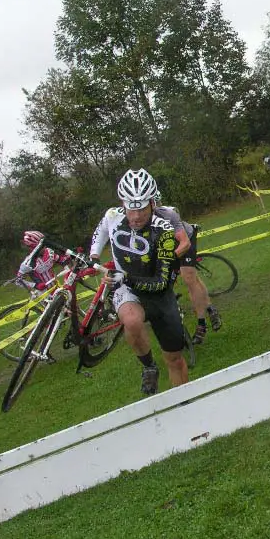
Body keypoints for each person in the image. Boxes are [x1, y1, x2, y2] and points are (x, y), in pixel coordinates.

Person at [89, 168, 189, 396]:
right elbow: (101, 231)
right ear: (122, 204)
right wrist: (93, 255)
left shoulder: (163, 227)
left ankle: (185, 403)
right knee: (131, 321)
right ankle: (149, 367)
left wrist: (126, 277)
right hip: (127, 290)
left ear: (153, 203)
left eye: (142, 209)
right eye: (130, 209)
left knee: (175, 359)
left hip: (158, 292)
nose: (135, 217)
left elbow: (161, 282)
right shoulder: (112, 215)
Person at [152, 193, 222, 345]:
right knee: (193, 280)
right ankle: (210, 308)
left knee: (189, 278)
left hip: (185, 240)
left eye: (156, 203)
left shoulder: (168, 214)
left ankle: (201, 324)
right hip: (169, 248)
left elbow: (182, 241)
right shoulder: (138, 220)